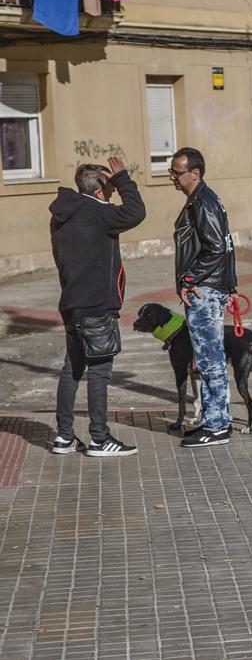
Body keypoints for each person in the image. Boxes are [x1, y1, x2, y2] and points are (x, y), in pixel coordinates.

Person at [49, 158, 145, 457]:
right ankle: (100, 439)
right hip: (97, 307)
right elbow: (137, 212)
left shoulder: (61, 214)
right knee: (100, 373)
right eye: (111, 187)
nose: (115, 192)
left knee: (72, 370)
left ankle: (64, 437)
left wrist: (113, 182)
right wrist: (124, 178)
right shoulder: (99, 213)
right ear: (101, 189)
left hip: (72, 304)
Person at [170, 147, 238, 448]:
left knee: (210, 361)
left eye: (176, 171)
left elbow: (214, 248)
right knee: (207, 359)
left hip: (205, 290)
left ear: (194, 173)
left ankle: (219, 426)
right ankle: (213, 420)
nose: (171, 176)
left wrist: (189, 278)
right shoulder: (202, 199)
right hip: (208, 287)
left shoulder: (203, 203)